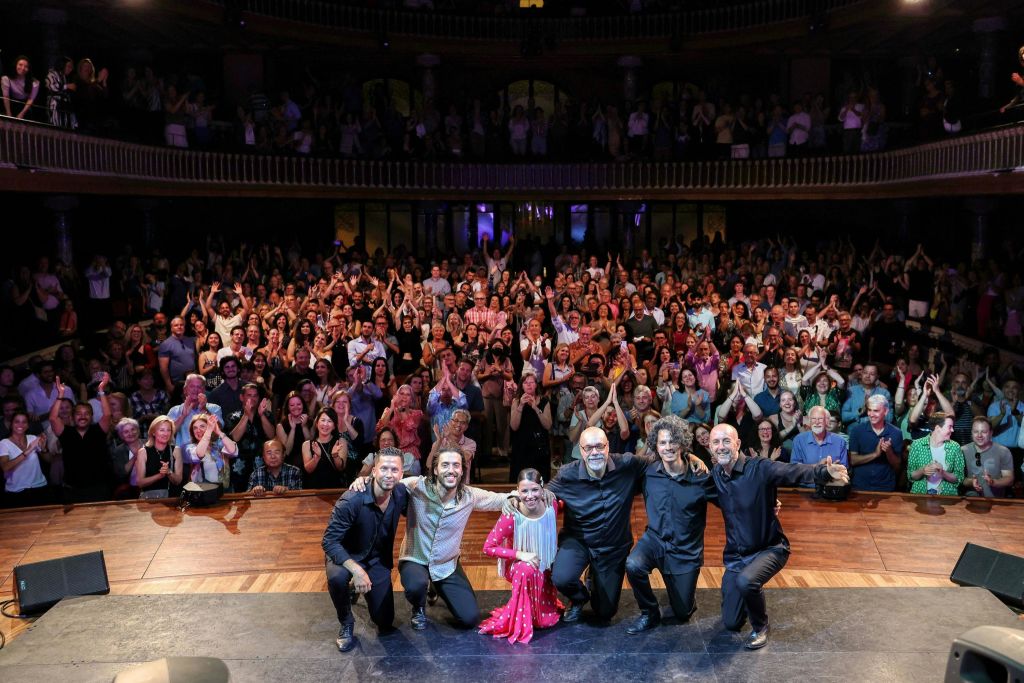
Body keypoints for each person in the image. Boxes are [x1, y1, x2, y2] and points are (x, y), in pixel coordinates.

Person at [709, 423, 849, 649]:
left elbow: (791, 471)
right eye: (716, 442)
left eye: (727, 441)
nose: (721, 446)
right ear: (710, 447)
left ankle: (760, 626)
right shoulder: (716, 475)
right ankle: (748, 592)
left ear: (738, 444)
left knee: (747, 581)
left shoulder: (759, 468)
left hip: (770, 548)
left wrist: (823, 472)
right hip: (737, 556)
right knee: (731, 623)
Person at [548, 426, 703, 625]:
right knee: (562, 578)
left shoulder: (627, 464)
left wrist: (690, 457)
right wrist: (511, 500)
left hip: (613, 547)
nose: (594, 452)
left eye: (599, 446)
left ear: (607, 446)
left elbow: (663, 457)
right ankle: (579, 599)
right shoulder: (566, 475)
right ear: (581, 450)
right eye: (588, 448)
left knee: (605, 612)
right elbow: (538, 495)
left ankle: (595, 576)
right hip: (579, 541)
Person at [351, 447, 517, 630]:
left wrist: (520, 496)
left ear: (462, 470)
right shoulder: (416, 486)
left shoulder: (470, 496)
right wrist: (366, 480)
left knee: (470, 618)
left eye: (456, 465)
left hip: (446, 564)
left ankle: (435, 587)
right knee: (416, 586)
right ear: (436, 469)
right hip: (415, 558)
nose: (451, 470)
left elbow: (500, 499)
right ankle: (418, 607)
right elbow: (387, 482)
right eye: (445, 465)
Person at [624, 416, 716, 634]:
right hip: (655, 541)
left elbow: (732, 502)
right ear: (655, 445)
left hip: (685, 551)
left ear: (683, 443)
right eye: (663, 443)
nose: (668, 447)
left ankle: (683, 594)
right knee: (633, 565)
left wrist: (767, 503)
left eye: (673, 441)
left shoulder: (701, 476)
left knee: (683, 612)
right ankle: (649, 612)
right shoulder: (648, 471)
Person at [323, 448, 408, 652]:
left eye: (394, 469)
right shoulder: (352, 499)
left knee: (385, 621)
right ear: (373, 471)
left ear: (402, 474)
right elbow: (329, 541)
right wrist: (357, 571)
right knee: (336, 578)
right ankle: (346, 622)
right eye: (384, 468)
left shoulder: (400, 493)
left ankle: (359, 589)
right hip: (345, 555)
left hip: (377, 559)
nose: (389, 474)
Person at [478, 467, 563, 644]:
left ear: (542, 488)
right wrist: (519, 554)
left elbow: (565, 504)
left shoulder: (551, 505)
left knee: (554, 569)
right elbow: (488, 547)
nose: (530, 496)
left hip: (544, 561)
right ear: (517, 491)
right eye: (524, 491)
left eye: (535, 490)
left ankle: (541, 608)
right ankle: (522, 617)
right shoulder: (512, 515)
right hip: (519, 565)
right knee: (527, 569)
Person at [848, 395, 904, 492]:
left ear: (885, 412)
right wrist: (875, 454)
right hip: (859, 486)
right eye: (869, 410)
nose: (871, 414)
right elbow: (852, 460)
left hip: (885, 487)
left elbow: (897, 466)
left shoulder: (896, 433)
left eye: (876, 411)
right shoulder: (857, 431)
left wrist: (889, 452)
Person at [0, 410, 52, 508]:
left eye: (24, 422)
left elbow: (49, 460)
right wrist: (27, 452)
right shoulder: (4, 443)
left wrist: (44, 448)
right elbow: (5, 467)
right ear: (11, 425)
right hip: (16, 491)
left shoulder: (33, 438)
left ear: (28, 425)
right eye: (17, 421)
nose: (21, 424)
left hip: (39, 487)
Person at [509, 372, 553, 483]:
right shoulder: (516, 401)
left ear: (536, 385)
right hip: (521, 447)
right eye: (525, 382)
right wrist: (521, 406)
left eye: (531, 382)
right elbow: (514, 427)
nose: (528, 385)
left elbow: (548, 425)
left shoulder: (544, 401)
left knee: (540, 480)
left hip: (539, 447)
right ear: (522, 386)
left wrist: (535, 408)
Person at [907, 412, 964, 496]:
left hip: (947, 496)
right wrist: (923, 471)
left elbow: (959, 478)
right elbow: (911, 475)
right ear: (938, 428)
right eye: (950, 427)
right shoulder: (917, 445)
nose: (952, 430)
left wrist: (943, 473)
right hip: (920, 494)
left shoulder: (955, 447)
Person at [962, 417, 1014, 498]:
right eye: (976, 432)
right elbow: (958, 479)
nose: (979, 435)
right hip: (970, 501)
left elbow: (1009, 479)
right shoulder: (962, 451)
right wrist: (971, 482)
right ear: (971, 432)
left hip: (996, 502)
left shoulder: (1003, 451)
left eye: (984, 432)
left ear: (991, 433)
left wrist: (993, 482)